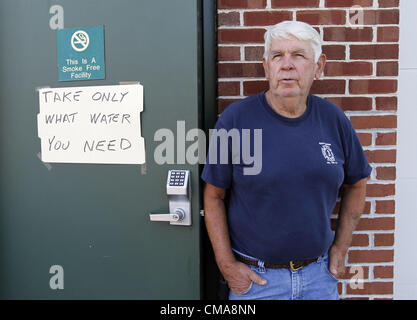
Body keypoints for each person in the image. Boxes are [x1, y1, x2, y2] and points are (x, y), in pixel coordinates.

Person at [201, 20, 371, 300]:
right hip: (257, 283)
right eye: (278, 56)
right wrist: (227, 266)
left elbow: (357, 183)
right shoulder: (236, 120)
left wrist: (340, 248)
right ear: (267, 66)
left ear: (318, 66)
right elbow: (213, 196)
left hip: (319, 279)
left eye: (299, 55)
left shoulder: (333, 120)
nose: (287, 64)